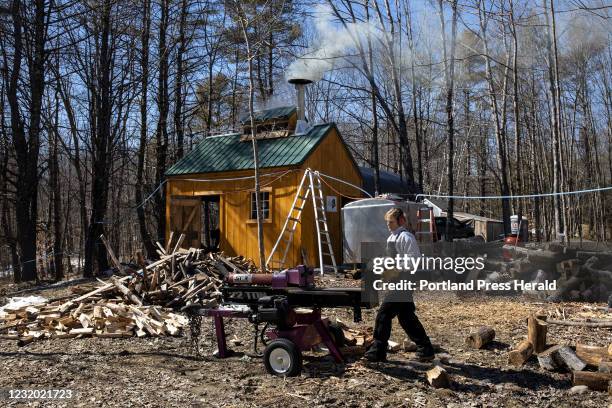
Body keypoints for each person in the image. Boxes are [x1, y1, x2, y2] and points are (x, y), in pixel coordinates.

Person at [364, 207, 435, 362]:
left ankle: (378, 350)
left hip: (404, 280)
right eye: (387, 222)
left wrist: (395, 266)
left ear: (400, 220)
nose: (388, 225)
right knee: (406, 317)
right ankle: (425, 348)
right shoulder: (392, 238)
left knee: (384, 314)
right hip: (396, 281)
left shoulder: (406, 237)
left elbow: (414, 260)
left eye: (391, 222)